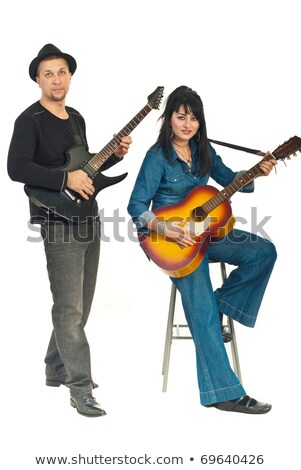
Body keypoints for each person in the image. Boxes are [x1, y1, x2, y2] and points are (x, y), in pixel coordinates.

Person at [127, 85, 277, 414]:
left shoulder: (203, 150)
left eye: (193, 118)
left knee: (263, 252)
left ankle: (221, 304)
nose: (187, 124)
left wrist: (257, 172)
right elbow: (136, 205)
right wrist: (166, 227)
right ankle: (224, 393)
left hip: (209, 233)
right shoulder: (157, 158)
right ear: (169, 120)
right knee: (203, 312)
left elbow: (230, 179)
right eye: (181, 116)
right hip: (172, 242)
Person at [7, 44, 132, 417]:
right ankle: (79, 387)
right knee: (69, 308)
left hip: (89, 217)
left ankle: (55, 365)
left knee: (80, 304)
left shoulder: (75, 117)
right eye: (48, 73)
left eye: (61, 72)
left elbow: (84, 167)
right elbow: (16, 168)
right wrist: (64, 179)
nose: (56, 79)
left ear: (70, 76)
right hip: (57, 222)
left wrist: (115, 155)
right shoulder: (28, 121)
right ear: (37, 79)